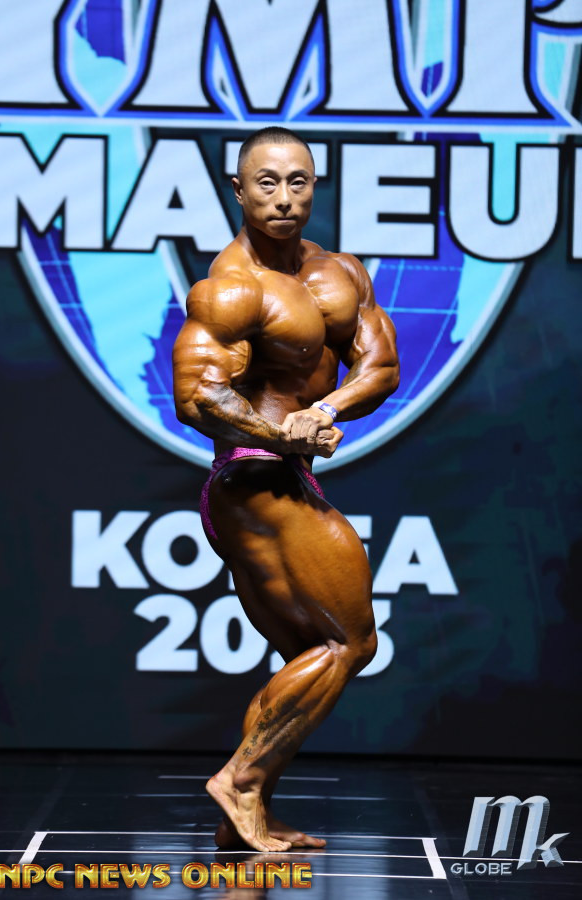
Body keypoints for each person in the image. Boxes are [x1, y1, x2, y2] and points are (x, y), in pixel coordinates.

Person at [172, 126, 399, 853]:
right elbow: (196, 395)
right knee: (351, 641)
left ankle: (248, 815)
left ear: (314, 186)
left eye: (297, 181)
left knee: (311, 652)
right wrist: (283, 435)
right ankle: (240, 779)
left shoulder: (341, 273)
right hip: (251, 477)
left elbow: (381, 367)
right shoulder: (231, 286)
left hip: (288, 472)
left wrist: (324, 410)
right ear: (238, 190)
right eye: (266, 183)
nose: (283, 197)